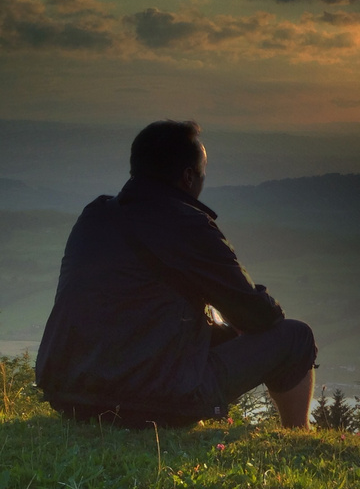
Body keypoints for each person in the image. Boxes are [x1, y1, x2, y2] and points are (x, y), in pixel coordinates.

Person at [36, 120, 316, 428]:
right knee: (296, 337)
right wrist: (254, 312)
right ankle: (297, 434)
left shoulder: (95, 215)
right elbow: (258, 315)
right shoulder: (189, 225)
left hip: (72, 395)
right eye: (202, 173)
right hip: (153, 403)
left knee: (217, 333)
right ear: (188, 176)